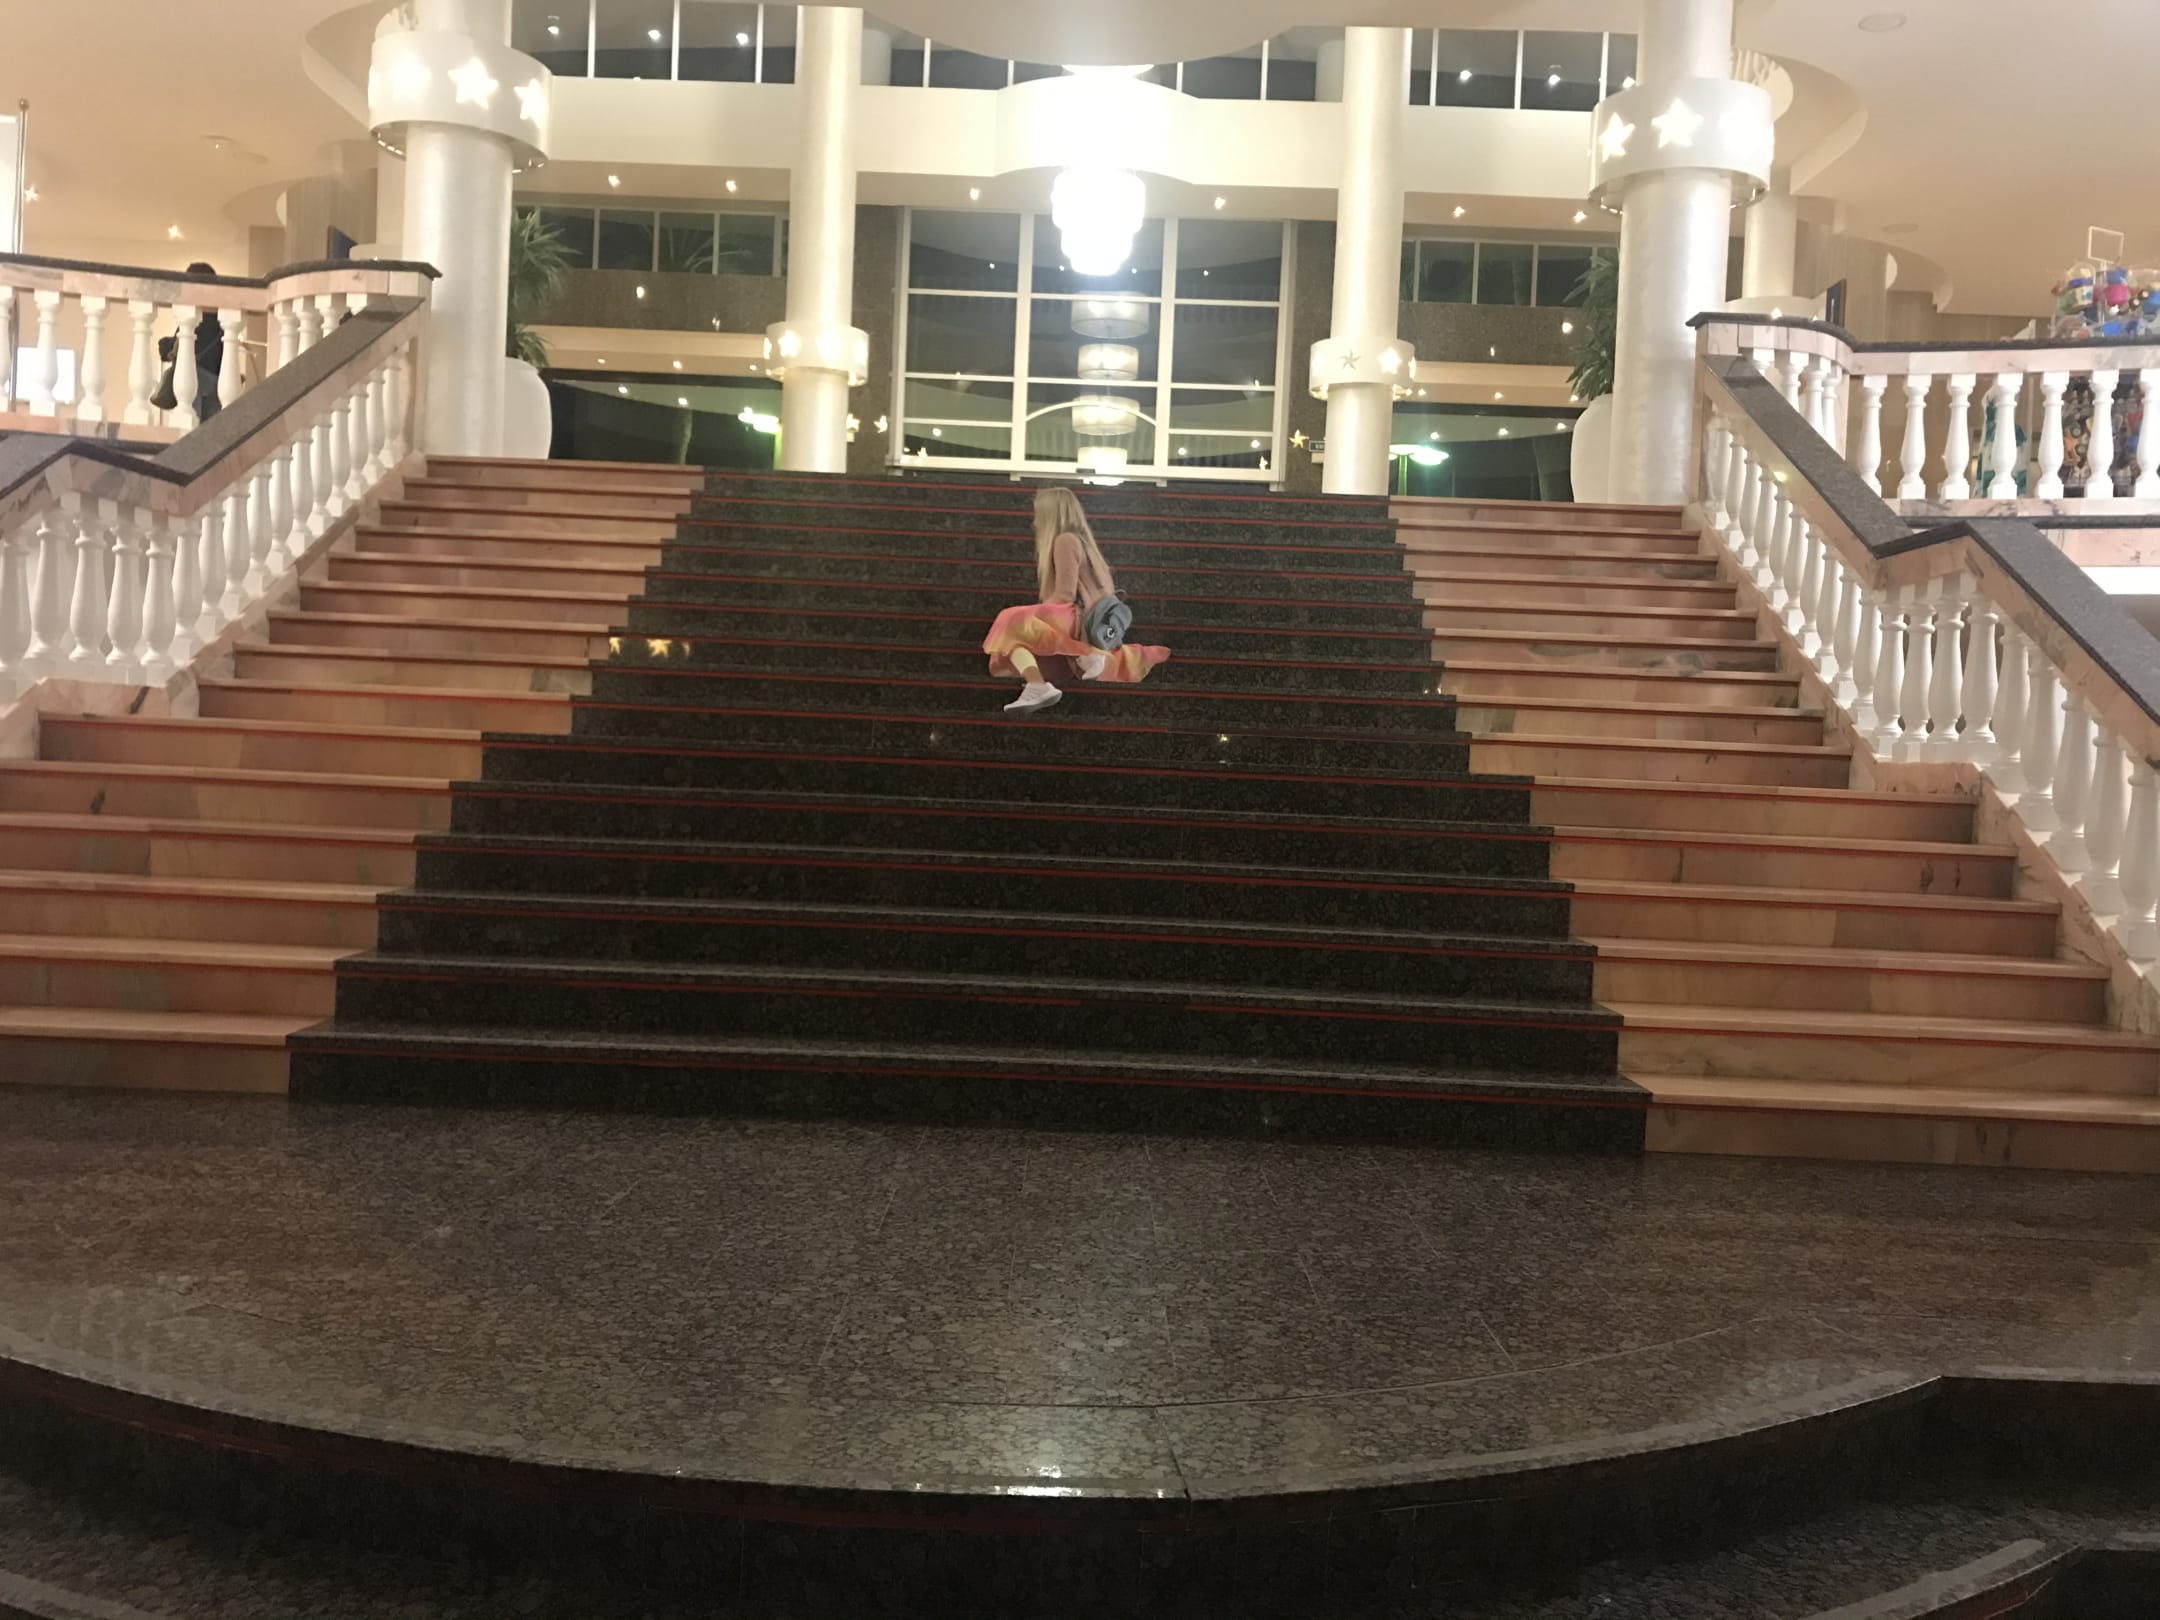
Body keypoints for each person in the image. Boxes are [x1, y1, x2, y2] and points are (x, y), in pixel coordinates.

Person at [982, 486, 1169, 715]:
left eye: (1038, 515)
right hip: (1089, 622)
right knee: (1015, 639)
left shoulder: (1065, 540)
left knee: (1009, 619)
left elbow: (1065, 594)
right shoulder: (1088, 546)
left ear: (1051, 515)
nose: (1035, 522)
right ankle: (1037, 682)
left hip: (1076, 617)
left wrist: (1036, 614)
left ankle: (1037, 684)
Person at [154, 263, 225, 422]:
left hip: (193, 379)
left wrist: (166, 344)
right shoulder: (221, 316)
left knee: (188, 425)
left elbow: (176, 347)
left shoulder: (192, 317)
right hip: (216, 383)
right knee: (212, 431)